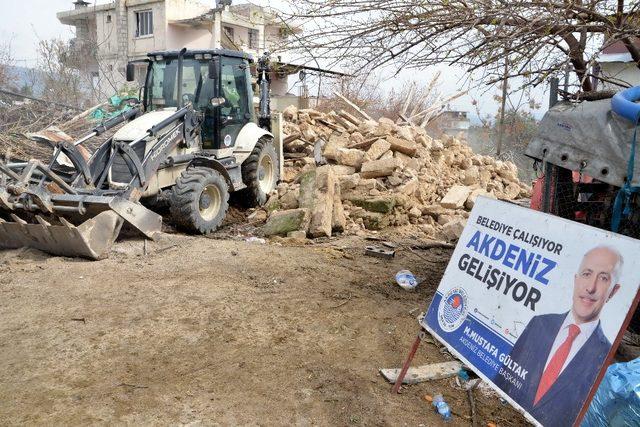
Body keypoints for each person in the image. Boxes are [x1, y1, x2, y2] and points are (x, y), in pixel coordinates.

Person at [495, 246, 623, 427]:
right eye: (587, 274)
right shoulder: (538, 324)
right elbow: (502, 377)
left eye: (603, 278)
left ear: (613, 291)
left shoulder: (606, 360)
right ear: (575, 279)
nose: (591, 287)